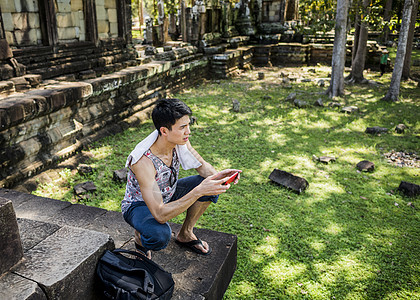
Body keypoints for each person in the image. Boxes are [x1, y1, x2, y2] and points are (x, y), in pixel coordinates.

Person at [121, 98, 241, 258]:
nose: (188, 131)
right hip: (140, 205)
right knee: (159, 236)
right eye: (183, 127)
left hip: (168, 192)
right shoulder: (143, 162)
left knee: (210, 185)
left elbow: (203, 166)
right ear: (164, 131)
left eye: (189, 125)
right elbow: (160, 214)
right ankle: (140, 238)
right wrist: (198, 191)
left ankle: (186, 233)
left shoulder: (180, 141)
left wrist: (221, 176)